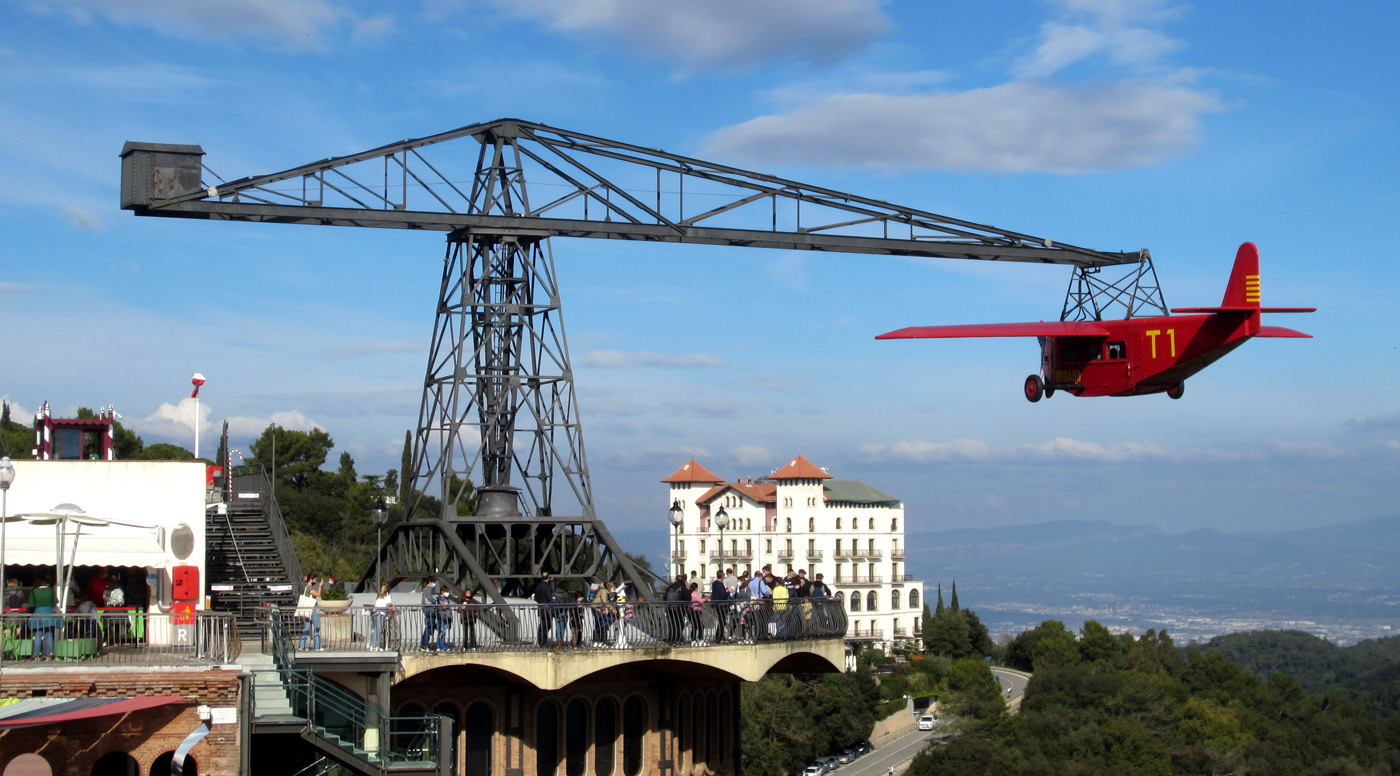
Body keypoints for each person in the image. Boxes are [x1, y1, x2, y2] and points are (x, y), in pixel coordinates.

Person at [27, 577, 59, 660]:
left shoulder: (34, 591)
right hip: (49, 614)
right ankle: (49, 656)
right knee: (49, 635)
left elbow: (31, 605)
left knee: (37, 635)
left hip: (38, 614)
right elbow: (54, 603)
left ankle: (36, 656)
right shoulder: (50, 590)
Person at [299, 574, 323, 651]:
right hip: (312, 610)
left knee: (307, 627)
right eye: (315, 580)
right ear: (311, 580)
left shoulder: (306, 588)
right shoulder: (309, 588)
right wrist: (320, 586)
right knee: (317, 627)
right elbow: (318, 594)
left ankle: (302, 646)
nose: (316, 581)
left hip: (307, 610)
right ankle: (317, 646)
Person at [533, 572, 556, 647]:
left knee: (542, 625)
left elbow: (536, 598)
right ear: (548, 577)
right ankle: (543, 642)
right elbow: (550, 597)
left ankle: (540, 640)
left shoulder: (538, 586)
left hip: (541, 608)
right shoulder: (547, 587)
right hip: (547, 609)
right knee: (546, 625)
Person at [664, 575, 688, 644]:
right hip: (679, 610)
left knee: (672, 624)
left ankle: (671, 639)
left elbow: (665, 598)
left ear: (675, 580)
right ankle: (678, 638)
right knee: (680, 624)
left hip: (670, 609)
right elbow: (688, 598)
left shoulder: (670, 587)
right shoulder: (683, 588)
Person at [420, 576, 442, 651]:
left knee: (429, 628)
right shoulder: (428, 589)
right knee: (429, 628)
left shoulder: (427, 589)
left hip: (429, 610)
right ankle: (424, 645)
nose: (435, 584)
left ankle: (424, 644)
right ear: (430, 582)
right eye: (434, 582)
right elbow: (431, 598)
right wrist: (435, 601)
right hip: (429, 610)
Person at [370, 583, 392, 651]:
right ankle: (375, 645)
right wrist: (392, 607)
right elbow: (388, 604)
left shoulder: (379, 595)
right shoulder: (387, 595)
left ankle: (374, 645)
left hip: (375, 613)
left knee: (376, 629)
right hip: (381, 613)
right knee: (379, 629)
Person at [710, 570, 730, 642]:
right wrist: (728, 592)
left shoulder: (714, 583)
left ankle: (719, 636)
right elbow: (723, 595)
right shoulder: (719, 584)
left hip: (717, 604)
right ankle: (719, 636)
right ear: (722, 576)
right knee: (722, 621)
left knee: (721, 620)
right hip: (721, 605)